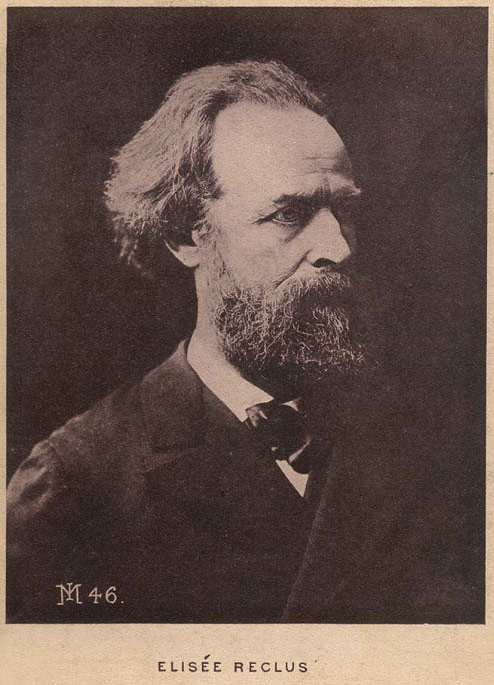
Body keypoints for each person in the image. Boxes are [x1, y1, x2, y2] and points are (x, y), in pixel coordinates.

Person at [7, 60, 483, 623]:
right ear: (187, 236)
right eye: (289, 214)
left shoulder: (439, 449)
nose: (338, 247)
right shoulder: (76, 485)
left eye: (345, 210)